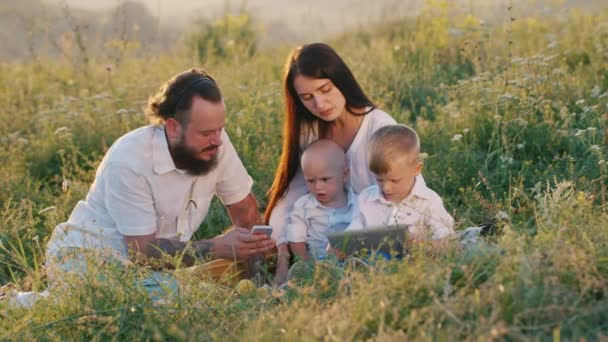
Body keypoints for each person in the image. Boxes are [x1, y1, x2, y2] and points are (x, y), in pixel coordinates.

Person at [45, 68, 275, 296]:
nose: (217, 141)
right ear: (173, 127)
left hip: (152, 273)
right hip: (88, 259)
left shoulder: (215, 142)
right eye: (205, 133)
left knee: (215, 285)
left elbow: (246, 213)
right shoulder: (129, 160)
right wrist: (216, 248)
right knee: (193, 298)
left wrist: (259, 280)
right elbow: (143, 253)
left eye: (220, 129)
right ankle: (20, 303)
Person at [264, 42, 397, 284]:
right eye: (307, 97)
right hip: (323, 247)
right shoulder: (310, 131)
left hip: (376, 242)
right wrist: (282, 258)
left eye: (325, 89)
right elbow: (291, 195)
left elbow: (404, 199)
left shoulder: (380, 129)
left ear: (341, 80)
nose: (320, 104)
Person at [346, 125, 455, 244]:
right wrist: (341, 246)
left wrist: (420, 244)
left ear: (416, 169)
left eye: (395, 181)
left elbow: (447, 240)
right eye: (379, 180)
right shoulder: (366, 199)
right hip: (375, 261)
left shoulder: (429, 201)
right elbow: (353, 232)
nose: (386, 188)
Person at [285, 140, 356, 266]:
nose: (318, 187)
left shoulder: (358, 203)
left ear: (344, 175)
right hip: (316, 267)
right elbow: (296, 239)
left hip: (348, 265)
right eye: (311, 181)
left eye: (324, 179)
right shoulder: (304, 206)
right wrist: (306, 265)